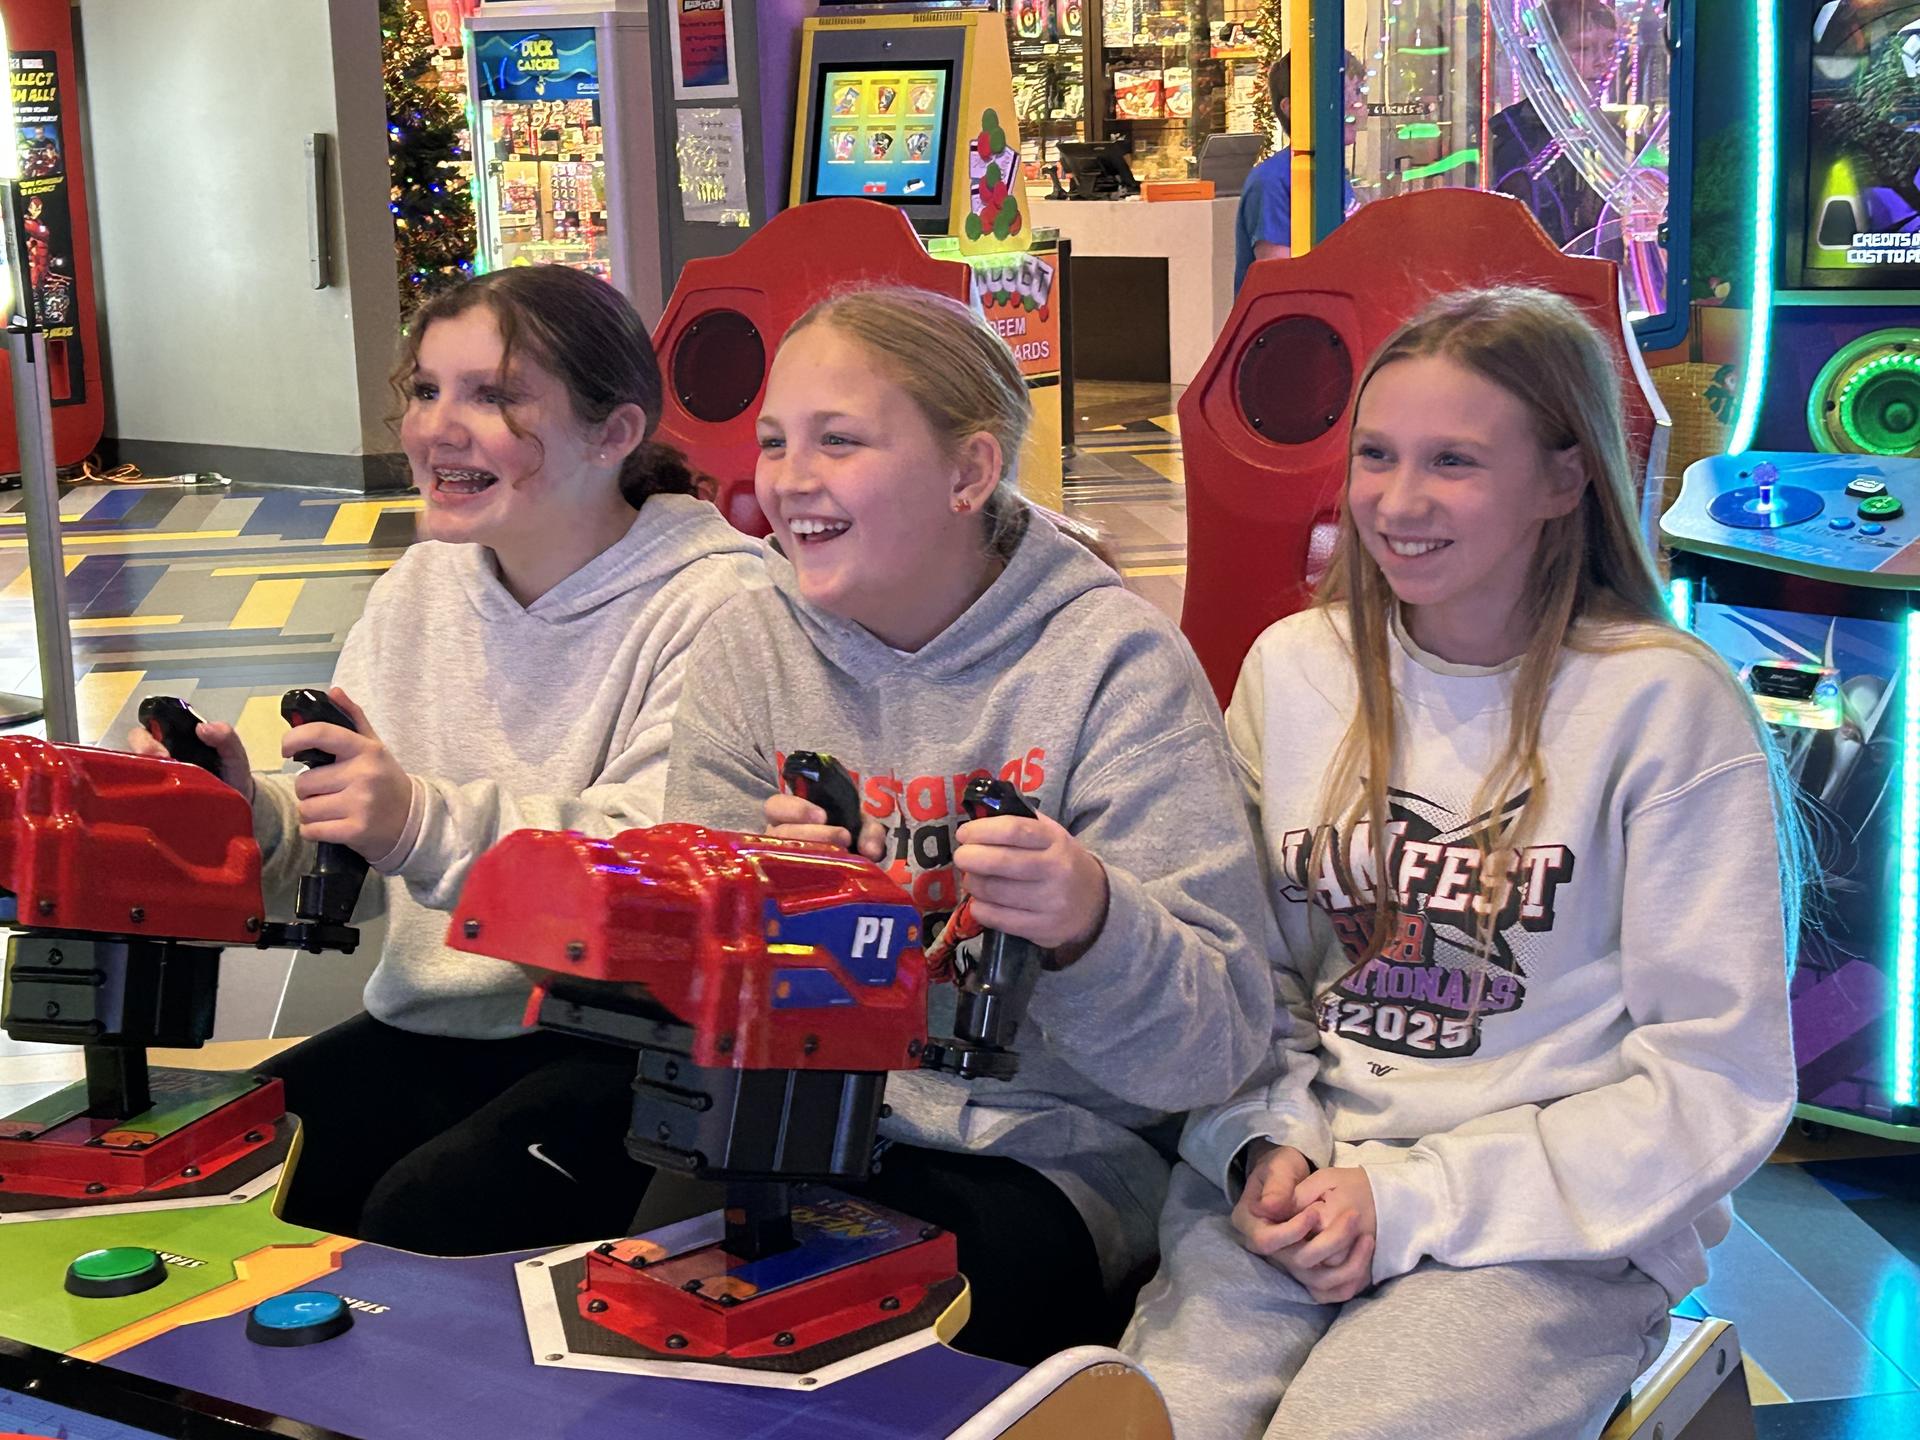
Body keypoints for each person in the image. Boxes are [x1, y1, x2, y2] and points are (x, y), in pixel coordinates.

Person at [1123, 287, 1801, 1438]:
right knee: (1152, 1423)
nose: (1398, 501)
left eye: (1454, 462)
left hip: (1551, 1228)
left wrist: (1413, 1200)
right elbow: (1249, 980)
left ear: (1562, 478)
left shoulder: (1660, 705)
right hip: (1301, 1187)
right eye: (1376, 456)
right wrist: (1260, 1146)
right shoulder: (1295, 670)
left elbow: (1715, 1082)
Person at [661, 285, 1272, 1366]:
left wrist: (1091, 923)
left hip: (1041, 1159)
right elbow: (678, 978)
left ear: (969, 473)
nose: (788, 479)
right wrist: (763, 917)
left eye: (838, 441)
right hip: (783, 1119)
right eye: (773, 442)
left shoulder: (1112, 667)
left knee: (872, 1363)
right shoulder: (748, 644)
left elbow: (1214, 1050)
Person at [129, 265, 765, 1254]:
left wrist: (419, 822)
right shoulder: (420, 587)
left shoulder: (723, 605)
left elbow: (658, 871)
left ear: (615, 432)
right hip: (435, 1025)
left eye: (493, 396)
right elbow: (361, 848)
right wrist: (242, 812)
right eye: (426, 390)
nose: (437, 427)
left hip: (640, 1049)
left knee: (422, 1217)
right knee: (220, 1186)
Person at [1488, 0, 1621, 251]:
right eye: (1582, 48)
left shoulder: (1610, 133)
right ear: (1544, 54)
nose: (1602, 61)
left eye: (1611, 47)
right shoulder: (1515, 136)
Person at [1234, 52, 1363, 292]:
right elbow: (1282, 280)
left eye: (1357, 93)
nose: (1355, 107)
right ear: (1292, 107)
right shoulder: (1272, 181)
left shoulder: (1331, 172)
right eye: (1339, 95)